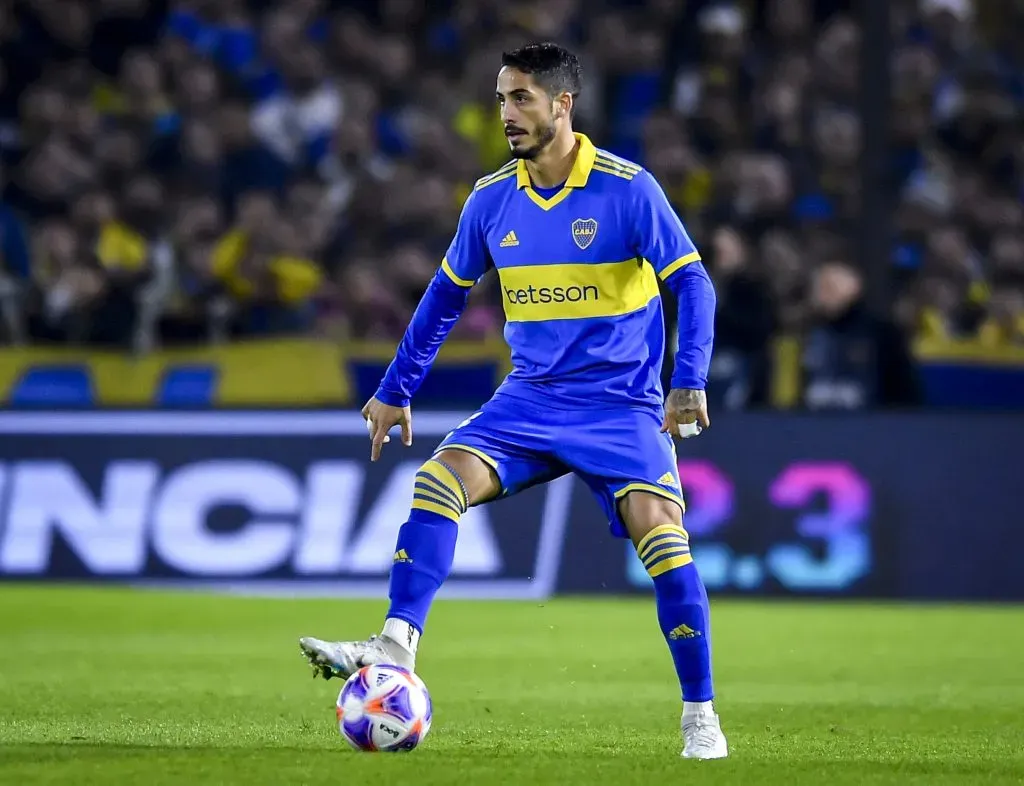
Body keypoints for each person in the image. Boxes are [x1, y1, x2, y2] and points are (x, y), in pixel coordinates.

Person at [300, 43, 726, 760]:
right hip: (527, 400)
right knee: (437, 480)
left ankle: (700, 715)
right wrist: (394, 391)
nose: (507, 114)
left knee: (665, 541)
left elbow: (693, 284)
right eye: (501, 99)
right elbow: (443, 297)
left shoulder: (629, 189)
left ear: (564, 104)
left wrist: (689, 380)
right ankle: (397, 646)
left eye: (521, 98)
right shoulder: (491, 198)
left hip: (620, 406)